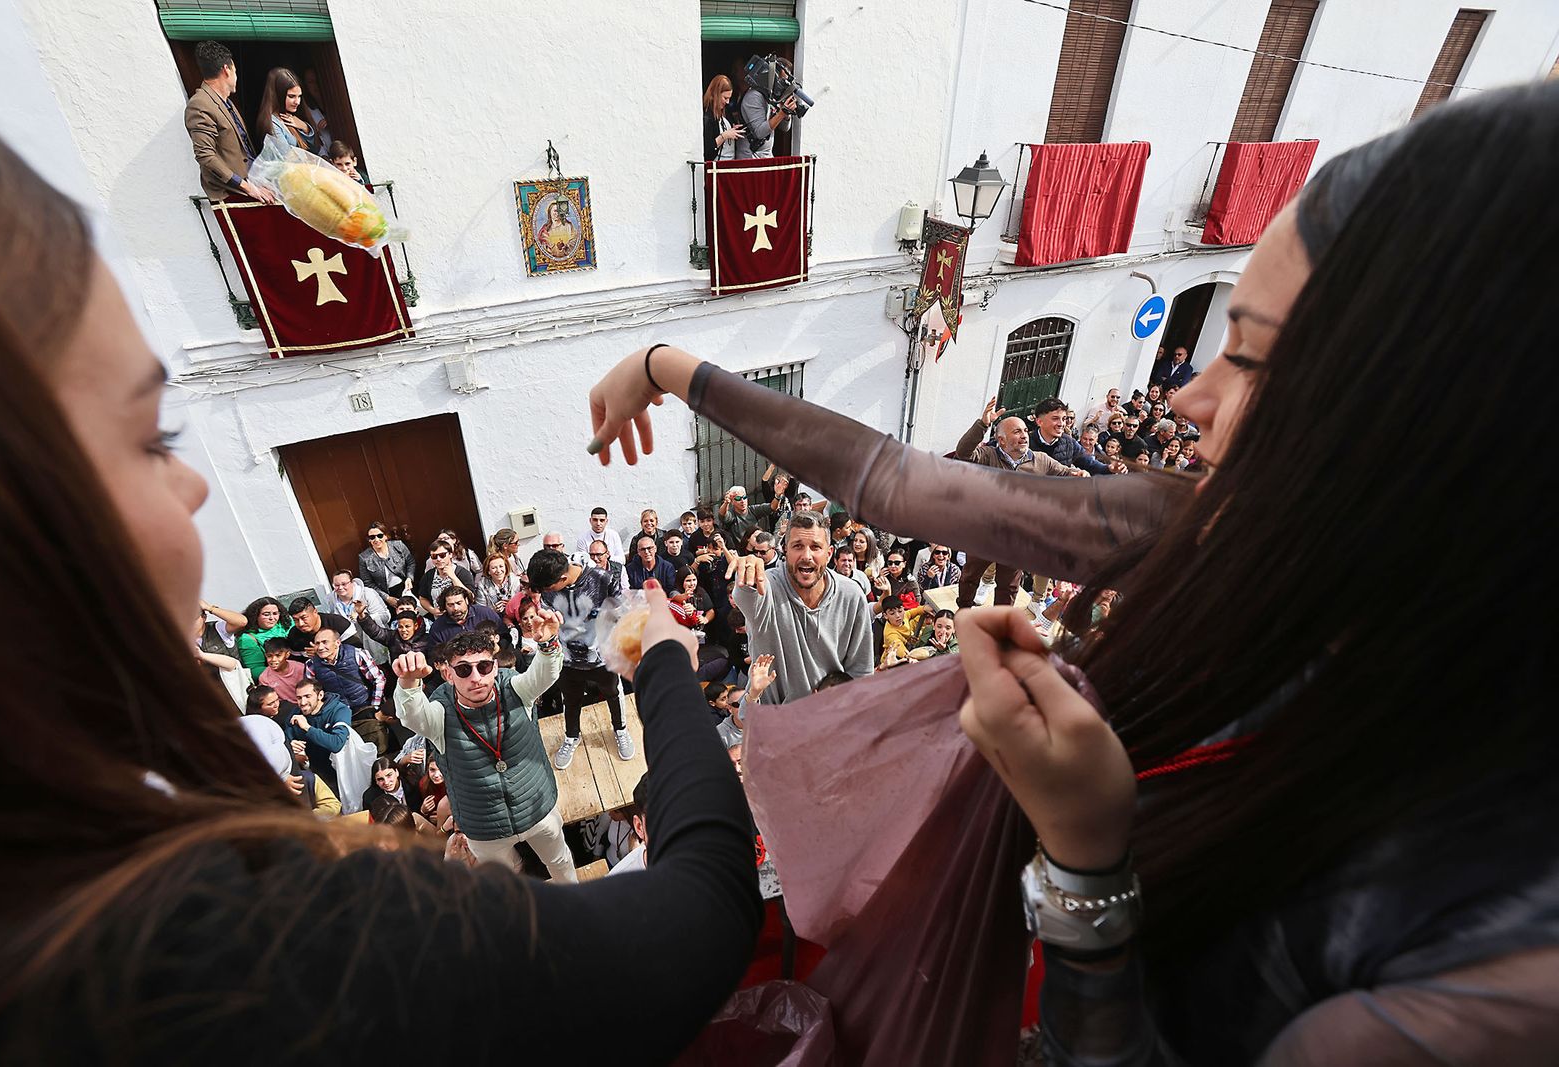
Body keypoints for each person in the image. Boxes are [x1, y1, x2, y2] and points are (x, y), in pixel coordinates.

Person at [582, 82, 1559, 1062]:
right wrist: (670, 366)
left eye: (1252, 357)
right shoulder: (1205, 526)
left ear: (1422, 420)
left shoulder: (1492, 957)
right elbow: (904, 483)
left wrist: (1086, 855)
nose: (1187, 396)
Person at [0, 109, 764, 1063]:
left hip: (537, 821)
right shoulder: (260, 941)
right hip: (493, 838)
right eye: (151, 439)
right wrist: (664, 664)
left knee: (556, 868)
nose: (193, 484)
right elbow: (705, 912)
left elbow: (544, 667)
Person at [393, 621, 580, 876]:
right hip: (484, 825)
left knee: (559, 860)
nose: (476, 678)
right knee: (504, 877)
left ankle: (573, 906)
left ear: (494, 668)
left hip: (536, 806)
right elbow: (412, 716)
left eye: (484, 666)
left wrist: (547, 644)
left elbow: (544, 674)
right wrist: (408, 683)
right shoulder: (440, 713)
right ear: (448, 675)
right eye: (463, 670)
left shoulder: (515, 689)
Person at [722, 512, 873, 705]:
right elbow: (746, 596)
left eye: (816, 547)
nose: (806, 556)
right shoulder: (766, 588)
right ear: (785, 550)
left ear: (829, 553)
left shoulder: (851, 595)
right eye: (798, 546)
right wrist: (748, 570)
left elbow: (861, 672)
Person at [953, 397, 1082, 609]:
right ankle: (964, 609)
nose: (1024, 436)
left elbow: (1067, 473)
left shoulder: (1040, 460)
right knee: (969, 578)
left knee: (1009, 587)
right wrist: (983, 424)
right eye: (1016, 432)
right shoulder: (988, 456)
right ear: (1001, 440)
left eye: (1024, 431)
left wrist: (1079, 474)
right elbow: (963, 452)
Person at [527, 548, 634, 767]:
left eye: (547, 588)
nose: (544, 593)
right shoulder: (548, 586)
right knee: (571, 699)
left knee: (613, 694)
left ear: (562, 578)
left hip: (602, 657)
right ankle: (571, 736)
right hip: (566, 659)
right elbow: (547, 615)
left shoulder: (603, 579)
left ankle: (620, 730)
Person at [183, 40, 274, 205]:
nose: (236, 77)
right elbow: (205, 156)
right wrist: (247, 187)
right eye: (235, 71)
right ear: (226, 70)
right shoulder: (199, 104)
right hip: (233, 194)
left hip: (253, 183)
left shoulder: (226, 101)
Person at [304, 627, 388, 753]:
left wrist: (374, 706)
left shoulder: (357, 654)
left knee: (377, 741)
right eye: (317, 643)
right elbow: (311, 693)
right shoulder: (311, 665)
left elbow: (378, 679)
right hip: (339, 712)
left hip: (364, 705)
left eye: (325, 642)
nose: (320, 647)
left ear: (337, 643)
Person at [735, 55, 797, 160]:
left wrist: (786, 115)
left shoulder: (771, 96)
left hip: (766, 157)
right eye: (782, 80)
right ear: (774, 76)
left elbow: (785, 128)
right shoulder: (754, 96)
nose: (783, 85)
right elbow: (760, 132)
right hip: (750, 159)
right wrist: (781, 113)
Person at [1032, 398, 1112, 476]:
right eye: (1055, 419)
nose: (1061, 424)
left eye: (1063, 419)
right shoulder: (1026, 443)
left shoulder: (1069, 442)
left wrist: (1110, 469)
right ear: (1039, 422)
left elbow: (1090, 464)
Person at [255, 67, 318, 154]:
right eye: (291, 96)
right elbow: (287, 158)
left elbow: (315, 149)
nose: (297, 102)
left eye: (299, 96)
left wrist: (305, 127)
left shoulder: (290, 116)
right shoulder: (272, 123)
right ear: (278, 95)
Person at [358, 521, 415, 609]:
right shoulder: (364, 558)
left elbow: (410, 562)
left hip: (406, 586)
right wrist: (387, 598)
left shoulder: (398, 545)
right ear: (369, 539)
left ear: (385, 536)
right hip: (385, 594)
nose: (376, 540)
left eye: (380, 536)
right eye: (372, 537)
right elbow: (368, 583)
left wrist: (409, 578)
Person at [235, 595, 291, 675]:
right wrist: (285, 672)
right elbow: (255, 670)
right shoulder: (247, 638)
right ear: (255, 616)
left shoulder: (287, 622)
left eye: (275, 613)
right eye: (266, 614)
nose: (272, 618)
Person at [418, 538, 474, 617]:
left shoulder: (462, 573)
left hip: (462, 617)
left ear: (450, 554)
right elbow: (422, 598)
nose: (438, 559)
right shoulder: (428, 576)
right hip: (441, 620)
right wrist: (432, 610)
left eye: (442, 555)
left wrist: (453, 577)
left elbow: (470, 597)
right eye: (434, 556)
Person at [285, 596, 359, 653]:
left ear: (315, 612)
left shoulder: (339, 624)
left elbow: (357, 650)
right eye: (295, 620)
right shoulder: (294, 635)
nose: (300, 624)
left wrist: (324, 653)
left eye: (304, 617)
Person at [702, 74, 746, 161]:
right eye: (725, 98)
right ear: (715, 94)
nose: (727, 102)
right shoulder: (708, 116)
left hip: (730, 162)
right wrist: (725, 135)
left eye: (729, 98)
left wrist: (733, 129)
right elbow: (708, 149)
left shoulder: (725, 111)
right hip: (717, 165)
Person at [298, 66, 334, 157]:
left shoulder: (335, 101)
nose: (316, 84)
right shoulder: (307, 110)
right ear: (306, 86)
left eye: (317, 80)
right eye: (311, 82)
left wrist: (333, 121)